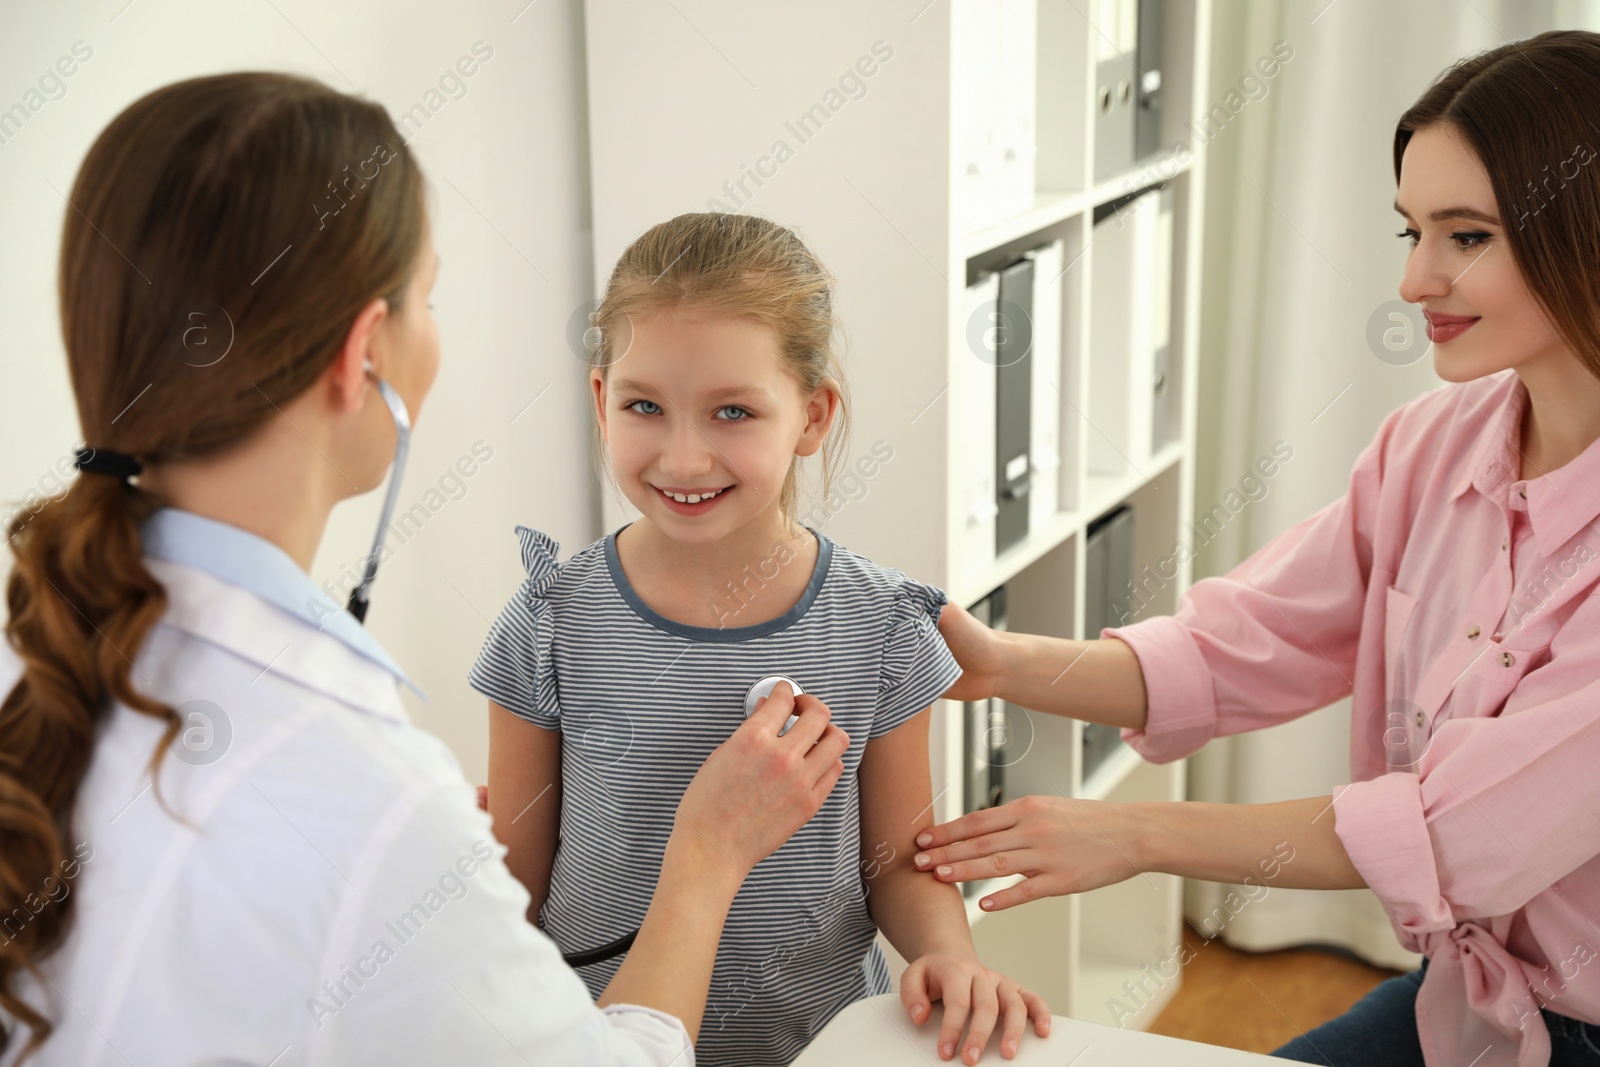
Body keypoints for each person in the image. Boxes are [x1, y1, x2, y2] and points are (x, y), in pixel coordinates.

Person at [0, 73, 852, 1067]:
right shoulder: (370, 790)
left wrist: (431, 896)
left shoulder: (46, 641)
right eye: (428, 296)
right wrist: (704, 861)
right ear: (366, 352)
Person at [910, 28, 1600, 1067]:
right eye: (1409, 230)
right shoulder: (1432, 446)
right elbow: (1246, 640)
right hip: (1470, 1002)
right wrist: (1006, 666)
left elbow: (1457, 837)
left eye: (1466, 237)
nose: (1416, 281)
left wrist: (1134, 836)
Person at [469, 212, 1052, 1067]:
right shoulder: (550, 620)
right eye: (644, 406)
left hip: (818, 1047)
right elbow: (517, 881)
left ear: (811, 416)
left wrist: (949, 958)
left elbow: (895, 861)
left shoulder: (882, 626)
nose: (685, 457)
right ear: (601, 401)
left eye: (733, 411)